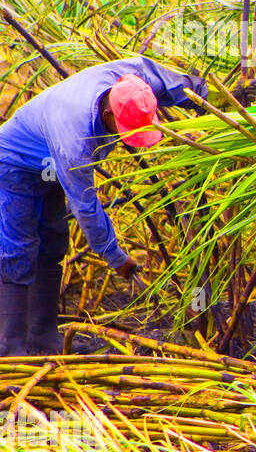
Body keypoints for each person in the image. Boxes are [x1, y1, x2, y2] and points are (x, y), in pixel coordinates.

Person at [0, 56, 215, 356]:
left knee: (52, 244)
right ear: (106, 113)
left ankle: (42, 338)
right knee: (19, 248)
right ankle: (10, 349)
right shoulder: (75, 141)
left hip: (50, 163)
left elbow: (169, 82)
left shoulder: (132, 81)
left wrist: (208, 98)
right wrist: (114, 255)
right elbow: (85, 206)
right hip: (16, 165)